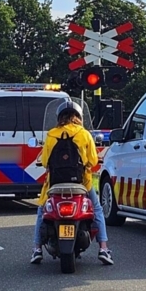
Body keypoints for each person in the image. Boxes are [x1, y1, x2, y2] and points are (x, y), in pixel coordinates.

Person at [31, 100, 113, 266]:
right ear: (78, 117)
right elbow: (92, 160)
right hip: (82, 184)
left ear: (60, 117)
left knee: (41, 210)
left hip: (55, 185)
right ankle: (103, 248)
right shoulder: (84, 134)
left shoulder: (52, 134)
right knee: (96, 209)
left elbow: (46, 162)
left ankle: (37, 249)